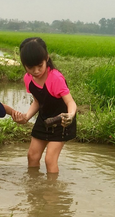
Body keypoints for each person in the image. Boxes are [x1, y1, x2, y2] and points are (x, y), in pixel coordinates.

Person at [13, 37, 77, 173]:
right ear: (24, 65)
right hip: (44, 119)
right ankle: (34, 187)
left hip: (62, 121)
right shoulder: (28, 79)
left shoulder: (55, 78)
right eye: (30, 67)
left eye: (40, 66)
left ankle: (51, 192)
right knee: (32, 156)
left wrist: (70, 115)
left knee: (50, 159)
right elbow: (37, 101)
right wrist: (26, 117)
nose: (36, 71)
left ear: (46, 58)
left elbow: (70, 102)